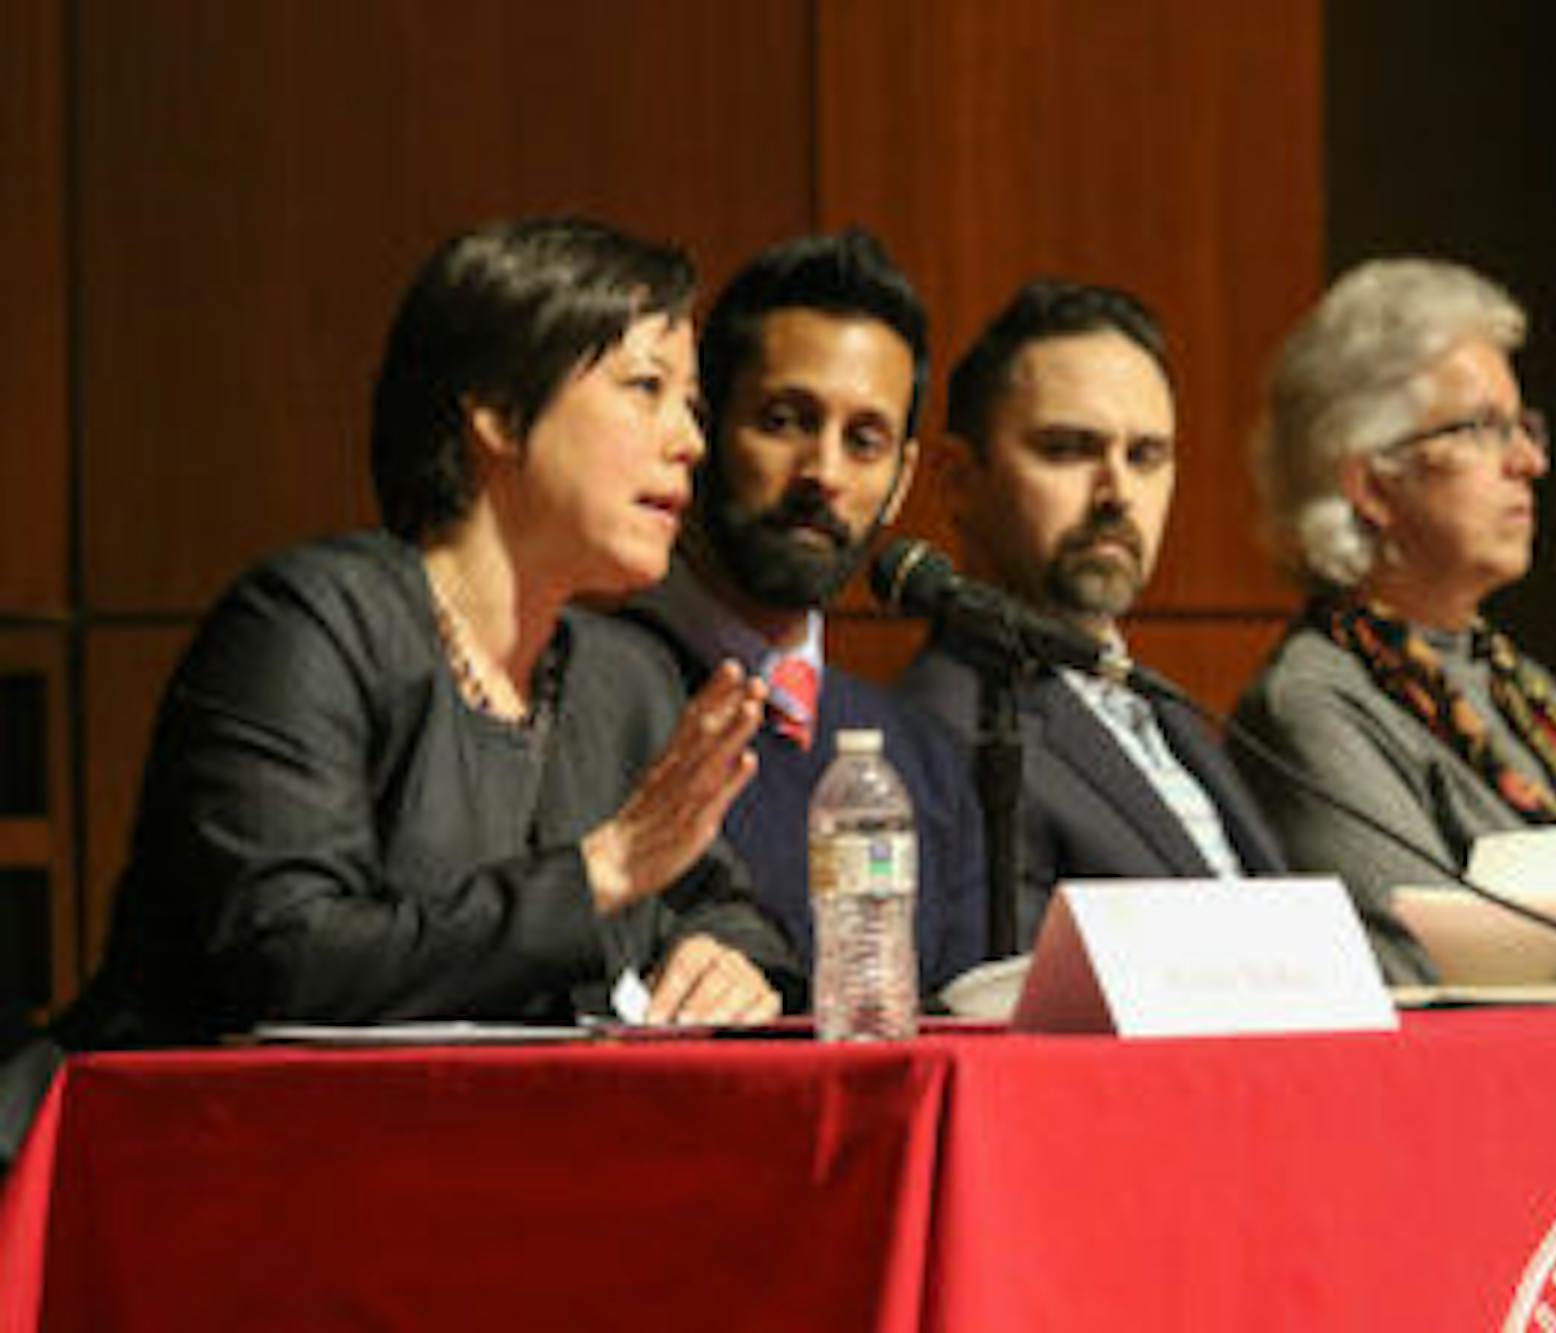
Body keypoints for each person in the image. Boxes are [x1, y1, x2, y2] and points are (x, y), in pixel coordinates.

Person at [55, 217, 800, 1057]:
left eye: (691, 405)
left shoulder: (624, 677)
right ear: (497, 411)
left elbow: (724, 907)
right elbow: (286, 955)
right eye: (645, 387)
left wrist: (726, 959)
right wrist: (599, 874)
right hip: (210, 1130)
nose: (690, 442)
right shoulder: (308, 626)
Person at [1229, 258, 1556, 984]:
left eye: (1524, 427)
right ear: (1371, 484)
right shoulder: (1312, 705)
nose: (1529, 461)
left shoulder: (1512, 681)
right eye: (1483, 428)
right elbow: (1422, 971)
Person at [622, 230, 985, 995]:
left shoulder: (920, 760)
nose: (823, 472)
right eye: (784, 420)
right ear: (701, 428)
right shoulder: (588, 696)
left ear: (902, 479)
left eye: (864, 440)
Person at [898, 279, 1285, 952]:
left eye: (1145, 456)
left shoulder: (1158, 707)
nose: (1118, 493)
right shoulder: (947, 732)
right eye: (1068, 449)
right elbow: (1005, 998)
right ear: (959, 480)